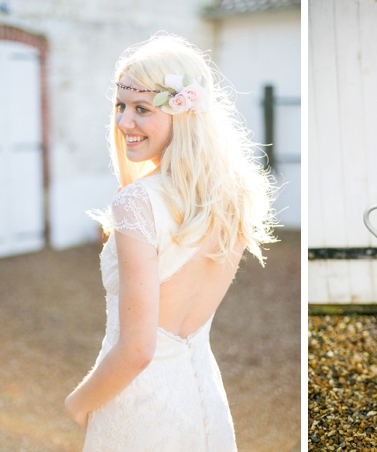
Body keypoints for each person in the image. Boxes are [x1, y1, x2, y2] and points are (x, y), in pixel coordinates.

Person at [64, 34, 276, 451]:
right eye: (121, 106)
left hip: (138, 411)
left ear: (184, 113)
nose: (124, 122)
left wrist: (78, 402)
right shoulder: (232, 196)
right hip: (203, 401)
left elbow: (138, 349)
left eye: (142, 109)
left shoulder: (138, 202)